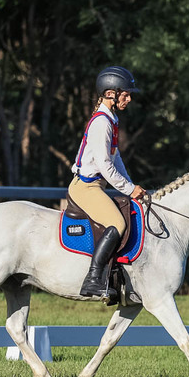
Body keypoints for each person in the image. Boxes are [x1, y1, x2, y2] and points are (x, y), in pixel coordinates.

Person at [68, 66, 146, 299]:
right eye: (126, 94)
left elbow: (115, 157)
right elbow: (104, 165)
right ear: (111, 93)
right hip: (86, 187)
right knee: (117, 223)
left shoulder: (111, 119)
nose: (129, 99)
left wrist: (132, 186)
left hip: (96, 186)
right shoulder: (102, 122)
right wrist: (129, 189)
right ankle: (92, 280)